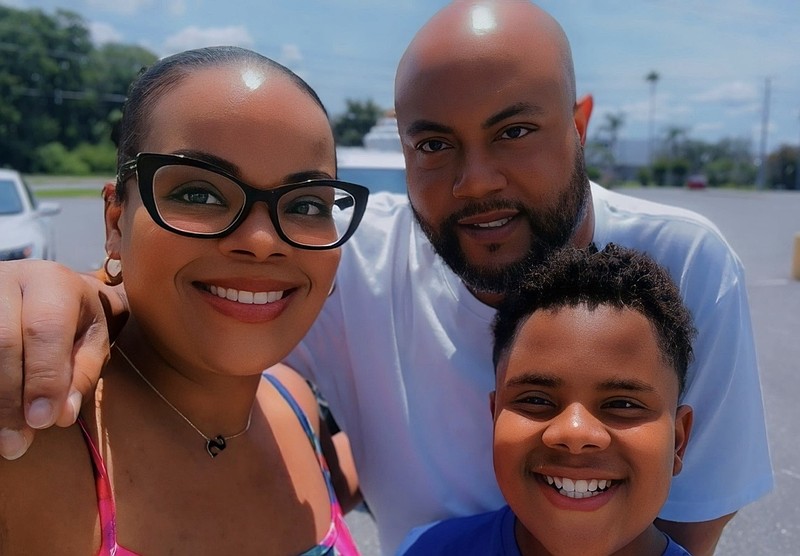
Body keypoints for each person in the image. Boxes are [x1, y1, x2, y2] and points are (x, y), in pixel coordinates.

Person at [0, 2, 773, 555]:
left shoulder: (686, 259)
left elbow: (689, 522)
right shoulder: (347, 264)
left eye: (515, 131)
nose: (477, 181)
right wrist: (73, 294)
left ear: (578, 126)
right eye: (434, 145)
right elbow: (189, 317)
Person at [0, 45, 367, 554]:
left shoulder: (296, 403)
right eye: (200, 194)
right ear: (115, 222)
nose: (262, 241)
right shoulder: (33, 432)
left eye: (307, 203)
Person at [398, 244, 695, 556]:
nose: (575, 433)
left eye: (622, 404)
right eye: (536, 400)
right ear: (494, 418)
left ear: (677, 440)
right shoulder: (426, 549)